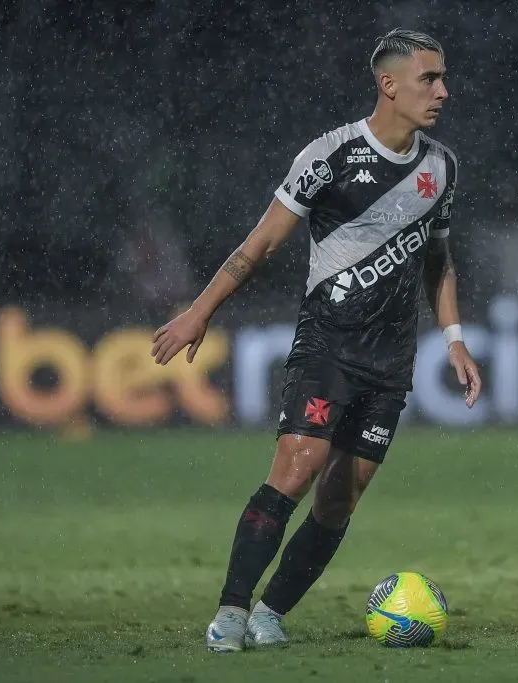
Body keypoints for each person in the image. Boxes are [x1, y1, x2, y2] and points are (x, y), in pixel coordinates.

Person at [150, 28, 482, 652]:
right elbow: (260, 246)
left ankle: (271, 613)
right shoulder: (329, 157)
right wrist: (199, 313)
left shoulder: (442, 166)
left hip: (391, 359)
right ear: (389, 85)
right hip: (328, 344)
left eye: (442, 78)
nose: (443, 90)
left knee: (341, 493)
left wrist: (455, 339)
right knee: (298, 466)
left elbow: (439, 260)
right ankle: (229, 611)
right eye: (429, 79)